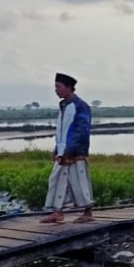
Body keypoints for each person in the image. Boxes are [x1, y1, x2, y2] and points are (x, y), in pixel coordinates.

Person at [41, 72, 95, 224]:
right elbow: (62, 131)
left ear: (69, 88)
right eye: (55, 87)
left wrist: (71, 151)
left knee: (79, 181)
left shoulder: (80, 106)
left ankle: (88, 212)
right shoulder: (64, 105)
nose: (56, 90)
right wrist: (57, 149)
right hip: (63, 152)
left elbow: (82, 131)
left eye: (58, 87)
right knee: (57, 180)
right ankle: (57, 212)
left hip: (76, 153)